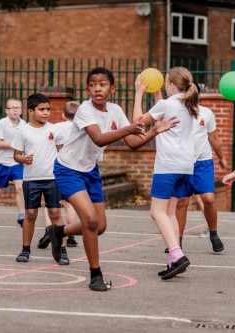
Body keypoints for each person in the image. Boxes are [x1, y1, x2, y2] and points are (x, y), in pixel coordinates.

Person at [47, 67, 179, 291]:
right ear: (88, 88)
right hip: (68, 169)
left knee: (99, 227)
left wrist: (155, 130)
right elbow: (98, 139)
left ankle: (58, 231)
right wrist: (129, 128)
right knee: (89, 220)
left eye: (103, 84)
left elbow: (134, 143)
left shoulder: (116, 111)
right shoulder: (84, 111)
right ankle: (95, 275)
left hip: (90, 171)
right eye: (92, 84)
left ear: (112, 88)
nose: (97, 88)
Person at [134, 66, 199, 280]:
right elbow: (165, 107)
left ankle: (177, 254)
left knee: (157, 212)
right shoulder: (190, 104)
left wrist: (139, 93)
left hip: (167, 166)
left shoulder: (166, 104)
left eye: (165, 85)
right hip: (186, 166)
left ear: (171, 85)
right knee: (170, 212)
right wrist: (157, 95)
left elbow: (138, 122)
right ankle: (174, 258)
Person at [11, 93, 70, 265]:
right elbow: (16, 155)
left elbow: (62, 152)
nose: (46, 113)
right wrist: (23, 159)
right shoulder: (22, 130)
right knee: (30, 214)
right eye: (41, 109)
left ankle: (63, 250)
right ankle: (25, 250)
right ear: (31, 111)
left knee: (55, 213)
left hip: (52, 178)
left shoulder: (54, 129)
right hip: (31, 179)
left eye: (48, 109)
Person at [175, 81, 226, 253]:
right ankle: (177, 242)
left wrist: (222, 157)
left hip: (203, 162)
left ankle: (213, 233)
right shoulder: (176, 112)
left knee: (209, 199)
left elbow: (213, 138)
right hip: (182, 163)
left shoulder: (206, 113)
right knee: (182, 202)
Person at [37, 101, 80, 249]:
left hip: (57, 169)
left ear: (63, 115)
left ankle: (49, 231)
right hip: (74, 170)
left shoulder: (56, 128)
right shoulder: (82, 129)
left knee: (50, 204)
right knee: (69, 204)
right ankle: (71, 235)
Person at [0, 98, 26, 226]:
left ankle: (21, 217)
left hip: (17, 161)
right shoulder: (1, 124)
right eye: (12, 107)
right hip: (1, 162)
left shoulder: (24, 125)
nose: (15, 110)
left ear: (21, 110)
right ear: (6, 110)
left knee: (20, 188)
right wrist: (15, 144)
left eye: (18, 107)